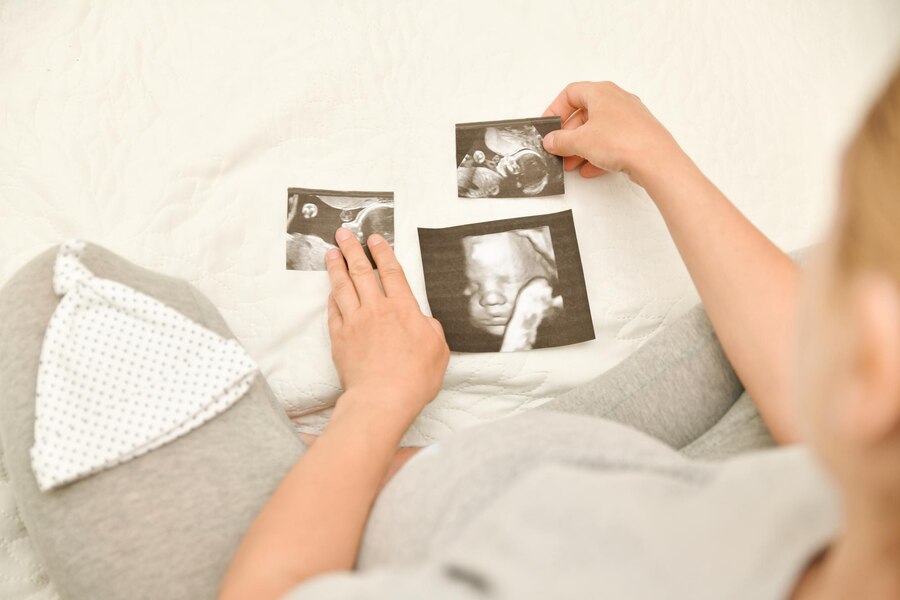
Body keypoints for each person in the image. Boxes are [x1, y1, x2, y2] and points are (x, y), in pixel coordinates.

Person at [0, 65, 897, 600]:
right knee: (813, 277)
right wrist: (657, 155)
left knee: (62, 301)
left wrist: (377, 406)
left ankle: (335, 474)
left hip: (379, 540)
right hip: (634, 474)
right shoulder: (844, 494)